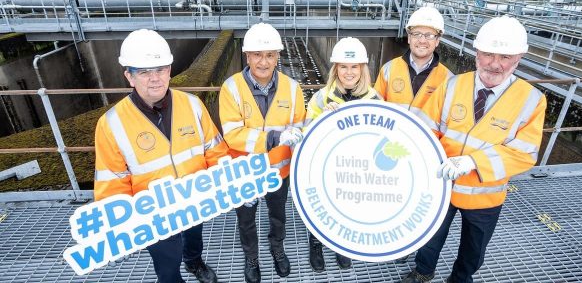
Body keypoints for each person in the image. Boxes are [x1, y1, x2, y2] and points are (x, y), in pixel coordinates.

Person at [398, 16, 547, 283]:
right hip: (441, 185)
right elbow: (427, 128)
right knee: (430, 236)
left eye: (505, 56)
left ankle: (460, 279)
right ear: (477, 53)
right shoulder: (453, 85)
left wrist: (474, 162)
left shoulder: (531, 100)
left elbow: (524, 152)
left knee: (473, 249)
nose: (495, 63)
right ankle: (423, 271)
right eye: (488, 53)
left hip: (484, 196)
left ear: (518, 58)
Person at [94, 29, 227, 283]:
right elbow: (112, 182)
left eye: (161, 69)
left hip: (194, 199)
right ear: (129, 76)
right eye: (144, 72)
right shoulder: (111, 124)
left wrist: (225, 185)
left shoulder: (192, 105)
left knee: (194, 237)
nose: (155, 78)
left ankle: (194, 261)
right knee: (166, 267)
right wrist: (121, 224)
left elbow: (215, 150)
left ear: (169, 70)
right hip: (153, 214)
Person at [218, 23, 306, 283]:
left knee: (278, 215)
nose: (264, 62)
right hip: (245, 172)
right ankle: (251, 257)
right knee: (245, 220)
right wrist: (275, 137)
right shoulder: (231, 88)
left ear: (278, 56)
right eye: (257, 54)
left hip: (279, 171)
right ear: (247, 56)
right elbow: (232, 133)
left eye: (269, 55)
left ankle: (277, 248)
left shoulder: (292, 88)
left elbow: (299, 128)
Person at [304, 37, 381, 272]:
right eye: (344, 67)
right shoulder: (322, 98)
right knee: (321, 209)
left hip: (356, 169)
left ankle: (341, 246)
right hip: (326, 167)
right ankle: (315, 244)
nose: (349, 72)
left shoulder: (375, 99)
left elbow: (381, 138)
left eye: (354, 66)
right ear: (336, 69)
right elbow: (306, 133)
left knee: (347, 209)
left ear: (362, 69)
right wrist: (322, 121)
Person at [374, 6, 452, 111]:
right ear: (409, 38)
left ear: (437, 40)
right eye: (417, 34)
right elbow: (375, 108)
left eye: (429, 35)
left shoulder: (448, 80)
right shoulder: (388, 69)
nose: (422, 40)